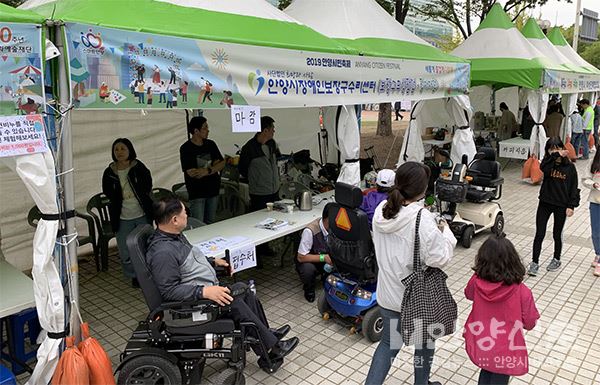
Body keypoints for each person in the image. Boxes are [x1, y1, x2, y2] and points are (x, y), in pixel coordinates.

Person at [146, 196, 299, 368]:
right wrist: (204, 292)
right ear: (174, 220)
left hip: (201, 294)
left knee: (243, 289)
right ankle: (271, 348)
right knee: (234, 303)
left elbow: (188, 262)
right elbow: (168, 291)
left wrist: (213, 262)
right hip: (190, 308)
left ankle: (268, 335)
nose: (187, 216)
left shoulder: (174, 237)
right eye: (184, 213)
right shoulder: (163, 252)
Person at [365, 162, 455, 385]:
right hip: (415, 298)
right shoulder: (422, 219)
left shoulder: (381, 211)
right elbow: (439, 258)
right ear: (422, 190)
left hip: (388, 295)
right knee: (424, 343)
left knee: (388, 345)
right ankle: (421, 383)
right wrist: (445, 233)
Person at [464, 235, 540, 385]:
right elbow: (530, 322)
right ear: (513, 261)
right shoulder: (522, 291)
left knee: (486, 370)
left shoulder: (476, 281)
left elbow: (469, 294)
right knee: (499, 377)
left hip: (482, 339)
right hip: (506, 346)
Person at [102, 138, 153, 286]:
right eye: (116, 149)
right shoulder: (109, 171)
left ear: (130, 150)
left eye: (123, 149)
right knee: (125, 249)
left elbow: (148, 184)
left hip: (141, 212)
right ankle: (134, 275)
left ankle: (147, 273)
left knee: (145, 244)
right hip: (122, 215)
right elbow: (107, 190)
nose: (119, 152)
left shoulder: (138, 166)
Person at [528, 137, 580, 276]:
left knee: (557, 234)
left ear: (563, 149)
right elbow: (544, 168)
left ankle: (556, 259)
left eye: (557, 148)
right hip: (545, 202)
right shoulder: (547, 163)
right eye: (551, 149)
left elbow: (574, 188)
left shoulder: (569, 167)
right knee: (539, 233)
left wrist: (571, 206)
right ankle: (534, 262)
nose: (554, 151)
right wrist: (555, 155)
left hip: (561, 205)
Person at [179, 116, 225, 224]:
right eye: (205, 128)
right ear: (196, 131)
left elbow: (222, 163)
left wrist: (207, 171)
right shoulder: (186, 148)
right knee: (198, 224)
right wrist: (213, 167)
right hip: (197, 193)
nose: (207, 130)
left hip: (213, 190)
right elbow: (192, 173)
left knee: (210, 222)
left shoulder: (211, 144)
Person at [239, 116, 281, 212]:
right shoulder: (249, 148)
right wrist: (256, 180)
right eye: (272, 129)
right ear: (265, 131)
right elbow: (242, 169)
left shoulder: (272, 144)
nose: (274, 131)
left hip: (274, 191)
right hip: (259, 194)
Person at [296, 206, 331, 303]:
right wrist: (323, 258)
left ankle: (328, 280)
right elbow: (301, 257)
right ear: (327, 219)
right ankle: (309, 290)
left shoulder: (336, 228)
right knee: (308, 269)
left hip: (328, 258)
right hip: (311, 260)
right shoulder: (310, 230)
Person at [584, 149, 600, 276]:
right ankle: (598, 253)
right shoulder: (594, 161)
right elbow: (585, 179)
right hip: (595, 201)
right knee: (596, 232)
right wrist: (593, 184)